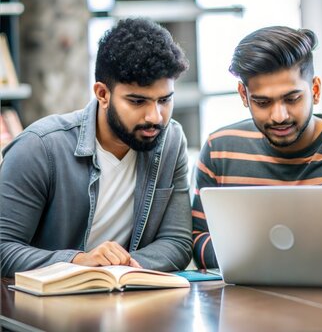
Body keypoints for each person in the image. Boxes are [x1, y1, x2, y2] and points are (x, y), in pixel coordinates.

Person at [0, 18, 192, 277]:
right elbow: (3, 249)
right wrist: (78, 261)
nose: (155, 117)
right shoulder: (40, 147)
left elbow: (177, 243)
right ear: (102, 94)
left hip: (127, 298)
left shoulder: (170, 140)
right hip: (44, 308)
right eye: (137, 101)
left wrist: (118, 270)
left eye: (165, 100)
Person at [191, 26, 322, 269]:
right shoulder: (220, 149)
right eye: (262, 102)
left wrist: (251, 252)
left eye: (292, 99)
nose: (279, 116)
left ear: (315, 90)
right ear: (244, 95)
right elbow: (200, 240)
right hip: (246, 300)